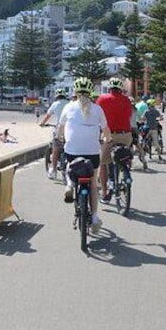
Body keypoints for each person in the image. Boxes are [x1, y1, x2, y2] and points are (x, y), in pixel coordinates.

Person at [58, 76, 111, 234]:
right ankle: (94, 218)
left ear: (75, 92)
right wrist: (106, 140)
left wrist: (60, 138)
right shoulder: (97, 109)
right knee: (93, 184)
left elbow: (60, 129)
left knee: (69, 164)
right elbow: (106, 133)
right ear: (90, 93)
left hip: (73, 152)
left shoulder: (68, 107)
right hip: (92, 154)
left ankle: (69, 185)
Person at [96, 77, 135, 200]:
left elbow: (97, 115)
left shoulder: (102, 98)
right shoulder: (127, 100)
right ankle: (126, 169)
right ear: (121, 89)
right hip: (126, 135)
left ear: (109, 88)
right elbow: (129, 116)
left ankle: (104, 192)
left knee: (103, 163)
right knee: (124, 154)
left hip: (110, 135)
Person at [39, 87, 70, 179]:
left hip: (59, 128)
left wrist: (42, 123)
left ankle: (53, 170)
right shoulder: (69, 103)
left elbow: (47, 115)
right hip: (69, 129)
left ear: (56, 97)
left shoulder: (55, 104)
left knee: (56, 147)